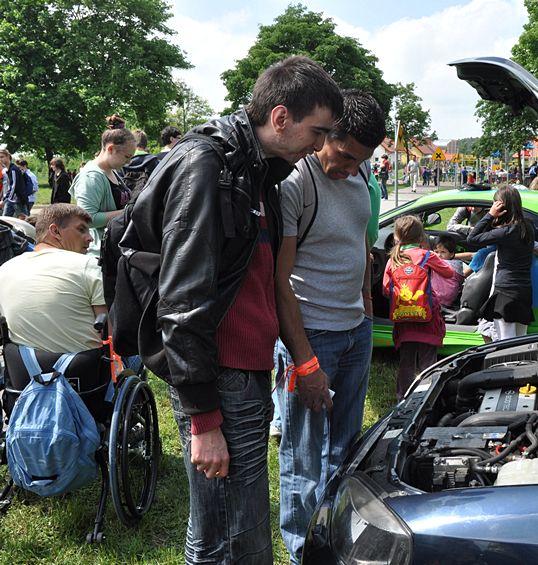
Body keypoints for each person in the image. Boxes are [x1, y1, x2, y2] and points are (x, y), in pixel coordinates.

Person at [121, 55, 342, 564]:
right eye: (318, 130)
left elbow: (260, 279)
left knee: (228, 528)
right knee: (231, 537)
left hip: (243, 369)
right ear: (281, 116)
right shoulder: (207, 166)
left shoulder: (256, 169)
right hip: (219, 373)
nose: (321, 144)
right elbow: (182, 299)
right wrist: (204, 420)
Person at [273, 89, 384, 564]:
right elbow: (279, 280)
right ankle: (301, 551)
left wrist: (365, 309)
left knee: (345, 449)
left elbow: (362, 244)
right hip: (311, 337)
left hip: (354, 333)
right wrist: (305, 360)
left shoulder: (361, 179)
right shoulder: (297, 181)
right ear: (326, 133)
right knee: (303, 459)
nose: (348, 167)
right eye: (342, 155)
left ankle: (335, 540)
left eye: (359, 160)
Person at [0, 204, 103, 353]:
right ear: (55, 231)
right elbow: (110, 335)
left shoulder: (5, 269)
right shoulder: (89, 266)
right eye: (81, 230)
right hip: (84, 371)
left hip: (25, 370)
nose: (90, 238)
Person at [467, 185, 538, 340]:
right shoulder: (527, 226)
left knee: (505, 342)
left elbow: (472, 238)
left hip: (505, 293)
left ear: (502, 207)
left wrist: (489, 215)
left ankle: (507, 365)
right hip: (524, 292)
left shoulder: (506, 232)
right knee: (519, 340)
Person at [383, 215, 456, 400]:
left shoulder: (394, 259)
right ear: (421, 236)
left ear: (397, 236)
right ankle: (428, 398)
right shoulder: (427, 256)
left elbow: (385, 289)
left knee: (406, 362)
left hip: (404, 319)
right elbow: (449, 273)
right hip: (427, 316)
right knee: (428, 362)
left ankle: (403, 398)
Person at [70, 127, 136, 257]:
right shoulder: (91, 176)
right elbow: (87, 219)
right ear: (111, 149)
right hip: (100, 254)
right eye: (127, 156)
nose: (129, 162)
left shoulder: (112, 171)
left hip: (115, 248)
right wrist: (127, 212)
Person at [122, 129, 160, 195]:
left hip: (126, 200)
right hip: (147, 200)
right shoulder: (154, 161)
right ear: (145, 143)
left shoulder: (123, 161)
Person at [0, 149, 26, 217]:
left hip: (18, 200)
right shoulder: (8, 170)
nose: (0, 159)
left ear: (8, 156)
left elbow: (13, 186)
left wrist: (5, 200)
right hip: (11, 200)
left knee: (24, 221)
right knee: (5, 220)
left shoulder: (13, 169)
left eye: (2, 157)